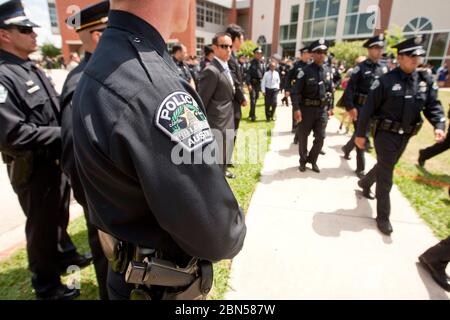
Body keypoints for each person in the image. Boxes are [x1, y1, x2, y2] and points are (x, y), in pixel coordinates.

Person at [71, 0, 246, 300]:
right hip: (161, 287)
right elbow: (219, 235)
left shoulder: (97, 65)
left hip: (126, 277)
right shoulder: (154, 85)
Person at [0, 0, 91, 300]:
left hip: (53, 161)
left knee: (58, 215)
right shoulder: (3, 75)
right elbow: (11, 133)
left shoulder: (28, 67)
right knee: (40, 226)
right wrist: (66, 134)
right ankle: (47, 285)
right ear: (4, 35)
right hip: (33, 167)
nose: (34, 34)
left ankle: (65, 255)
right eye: (25, 29)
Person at [355, 35, 446, 235]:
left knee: (386, 165)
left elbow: (433, 106)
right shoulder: (385, 81)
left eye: (418, 56)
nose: (415, 59)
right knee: (387, 174)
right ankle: (383, 216)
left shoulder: (424, 80)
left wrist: (439, 124)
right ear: (400, 56)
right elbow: (368, 109)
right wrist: (360, 134)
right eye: (411, 55)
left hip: (406, 136)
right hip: (385, 135)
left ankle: (365, 182)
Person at [60, 0, 110, 300]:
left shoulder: (105, 72)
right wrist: (97, 208)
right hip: (104, 209)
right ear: (99, 36)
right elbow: (71, 156)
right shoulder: (80, 82)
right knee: (110, 273)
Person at [341, 34, 388, 178]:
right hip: (360, 107)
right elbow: (350, 89)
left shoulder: (384, 69)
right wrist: (350, 107)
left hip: (377, 109)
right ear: (369, 50)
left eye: (380, 48)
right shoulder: (360, 68)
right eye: (375, 48)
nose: (378, 51)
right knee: (362, 133)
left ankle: (347, 148)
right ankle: (360, 168)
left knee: (360, 134)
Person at [198, 32, 236, 179]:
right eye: (224, 46)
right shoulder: (211, 71)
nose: (228, 49)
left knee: (224, 157)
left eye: (230, 46)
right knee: (216, 161)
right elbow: (202, 101)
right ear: (214, 48)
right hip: (217, 124)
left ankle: (223, 174)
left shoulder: (226, 67)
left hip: (228, 119)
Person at [294, 39, 334, 173]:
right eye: (318, 52)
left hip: (322, 110)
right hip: (307, 110)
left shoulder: (328, 70)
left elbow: (331, 90)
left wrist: (330, 107)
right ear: (312, 54)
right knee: (303, 137)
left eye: (324, 52)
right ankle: (303, 161)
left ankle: (313, 159)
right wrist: (296, 109)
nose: (321, 54)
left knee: (321, 137)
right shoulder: (305, 71)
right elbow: (296, 92)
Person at [226, 24, 247, 168]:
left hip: (233, 101)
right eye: (242, 39)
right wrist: (242, 97)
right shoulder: (229, 57)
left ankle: (227, 159)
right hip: (231, 102)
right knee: (229, 132)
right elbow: (235, 81)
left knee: (232, 132)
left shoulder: (233, 56)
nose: (243, 42)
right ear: (235, 39)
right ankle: (224, 162)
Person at [286, 47, 311, 142]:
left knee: (304, 113)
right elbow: (288, 78)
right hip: (297, 92)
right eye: (307, 53)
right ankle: (295, 126)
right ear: (303, 54)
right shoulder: (296, 65)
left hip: (307, 93)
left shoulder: (310, 65)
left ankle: (298, 132)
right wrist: (287, 89)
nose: (309, 55)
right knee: (296, 109)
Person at [246, 47, 265, 121]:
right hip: (252, 83)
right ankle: (253, 116)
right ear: (254, 54)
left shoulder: (262, 63)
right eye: (257, 53)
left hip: (259, 84)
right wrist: (248, 84)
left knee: (256, 98)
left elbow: (263, 73)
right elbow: (248, 74)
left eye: (260, 53)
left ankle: (251, 113)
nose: (259, 55)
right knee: (253, 99)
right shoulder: (251, 63)